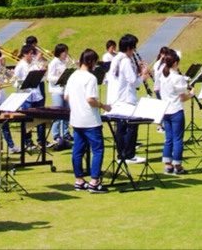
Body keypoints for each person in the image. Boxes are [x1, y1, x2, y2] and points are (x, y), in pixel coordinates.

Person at [65, 48, 110, 193]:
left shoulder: (72, 76)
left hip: (76, 119)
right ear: (91, 62)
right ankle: (94, 181)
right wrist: (103, 105)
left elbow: (66, 97)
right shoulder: (91, 78)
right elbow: (90, 99)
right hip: (90, 120)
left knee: (77, 150)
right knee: (98, 150)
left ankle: (79, 180)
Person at [109, 34, 151, 163]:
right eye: (133, 48)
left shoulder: (117, 59)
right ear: (128, 48)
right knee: (132, 126)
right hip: (125, 99)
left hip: (116, 98)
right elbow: (133, 81)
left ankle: (121, 155)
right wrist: (143, 76)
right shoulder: (126, 60)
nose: (134, 51)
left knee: (121, 128)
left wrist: (137, 69)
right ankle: (128, 154)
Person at [159, 51, 193, 175]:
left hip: (166, 110)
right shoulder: (176, 77)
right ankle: (177, 165)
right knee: (178, 139)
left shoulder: (164, 76)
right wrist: (192, 94)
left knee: (169, 138)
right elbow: (182, 97)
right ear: (175, 63)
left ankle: (168, 165)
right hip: (176, 110)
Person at [14, 44, 47, 150]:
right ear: (24, 54)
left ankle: (41, 140)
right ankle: (28, 142)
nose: (32, 56)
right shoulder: (20, 66)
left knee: (40, 118)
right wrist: (22, 85)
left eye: (33, 54)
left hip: (37, 94)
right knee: (27, 120)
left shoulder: (34, 64)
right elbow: (15, 81)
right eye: (30, 54)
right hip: (26, 96)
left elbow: (41, 79)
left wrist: (42, 71)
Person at [47, 43, 72, 148]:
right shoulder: (54, 63)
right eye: (64, 52)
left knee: (66, 112)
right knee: (58, 113)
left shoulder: (64, 62)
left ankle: (65, 133)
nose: (66, 54)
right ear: (60, 52)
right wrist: (60, 78)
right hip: (56, 90)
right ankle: (56, 134)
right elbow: (49, 77)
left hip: (65, 90)